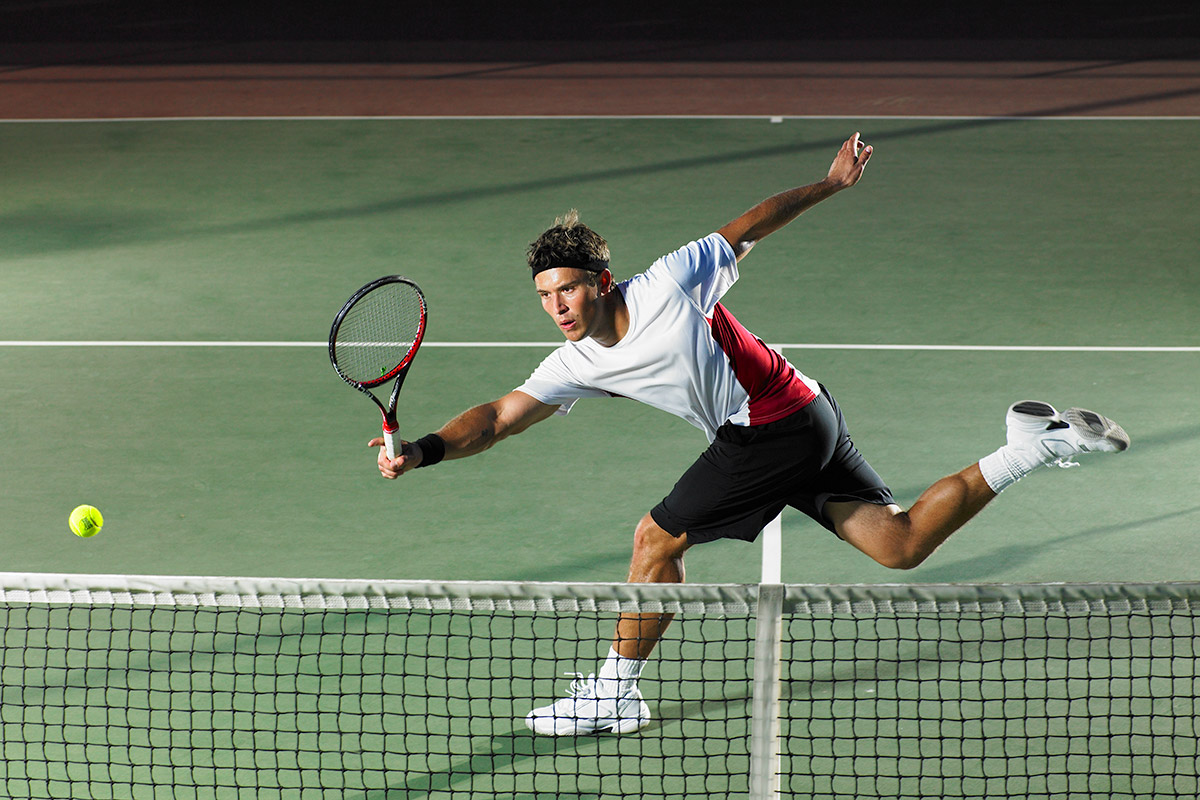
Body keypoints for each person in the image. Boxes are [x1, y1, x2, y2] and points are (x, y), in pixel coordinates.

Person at [369, 132, 1129, 736]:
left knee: (654, 540)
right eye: (544, 295)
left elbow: (752, 222)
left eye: (567, 288)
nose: (557, 305)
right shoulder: (574, 361)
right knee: (899, 545)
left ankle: (612, 695)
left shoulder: (670, 281)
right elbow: (498, 418)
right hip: (808, 413)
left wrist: (830, 184)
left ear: (600, 281)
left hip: (769, 423)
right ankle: (1030, 443)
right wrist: (423, 449)